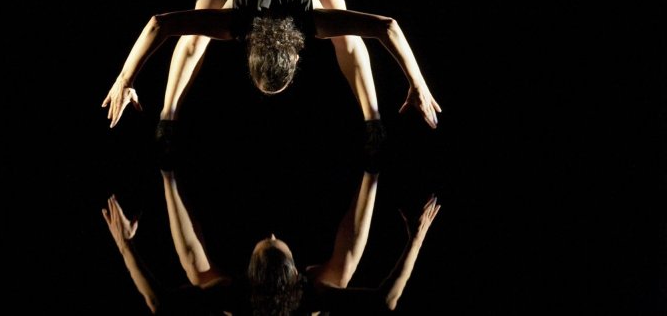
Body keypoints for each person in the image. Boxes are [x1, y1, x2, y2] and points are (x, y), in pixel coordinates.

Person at [102, 0, 442, 134]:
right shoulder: (237, 23)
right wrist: (124, 80)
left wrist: (419, 85)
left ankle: (374, 126)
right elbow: (159, 25)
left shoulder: (308, 21)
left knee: (347, 34)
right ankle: (166, 120)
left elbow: (388, 27)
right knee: (194, 35)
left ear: (295, 57)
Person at [102, 135, 442, 315]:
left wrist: (124, 244)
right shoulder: (309, 296)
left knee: (198, 275)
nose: (274, 233)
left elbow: (159, 303)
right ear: (297, 275)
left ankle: (168, 173)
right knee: (342, 272)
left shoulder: (235, 296)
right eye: (278, 242)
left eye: (267, 242)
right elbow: (386, 301)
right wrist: (417, 238)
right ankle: (373, 169)